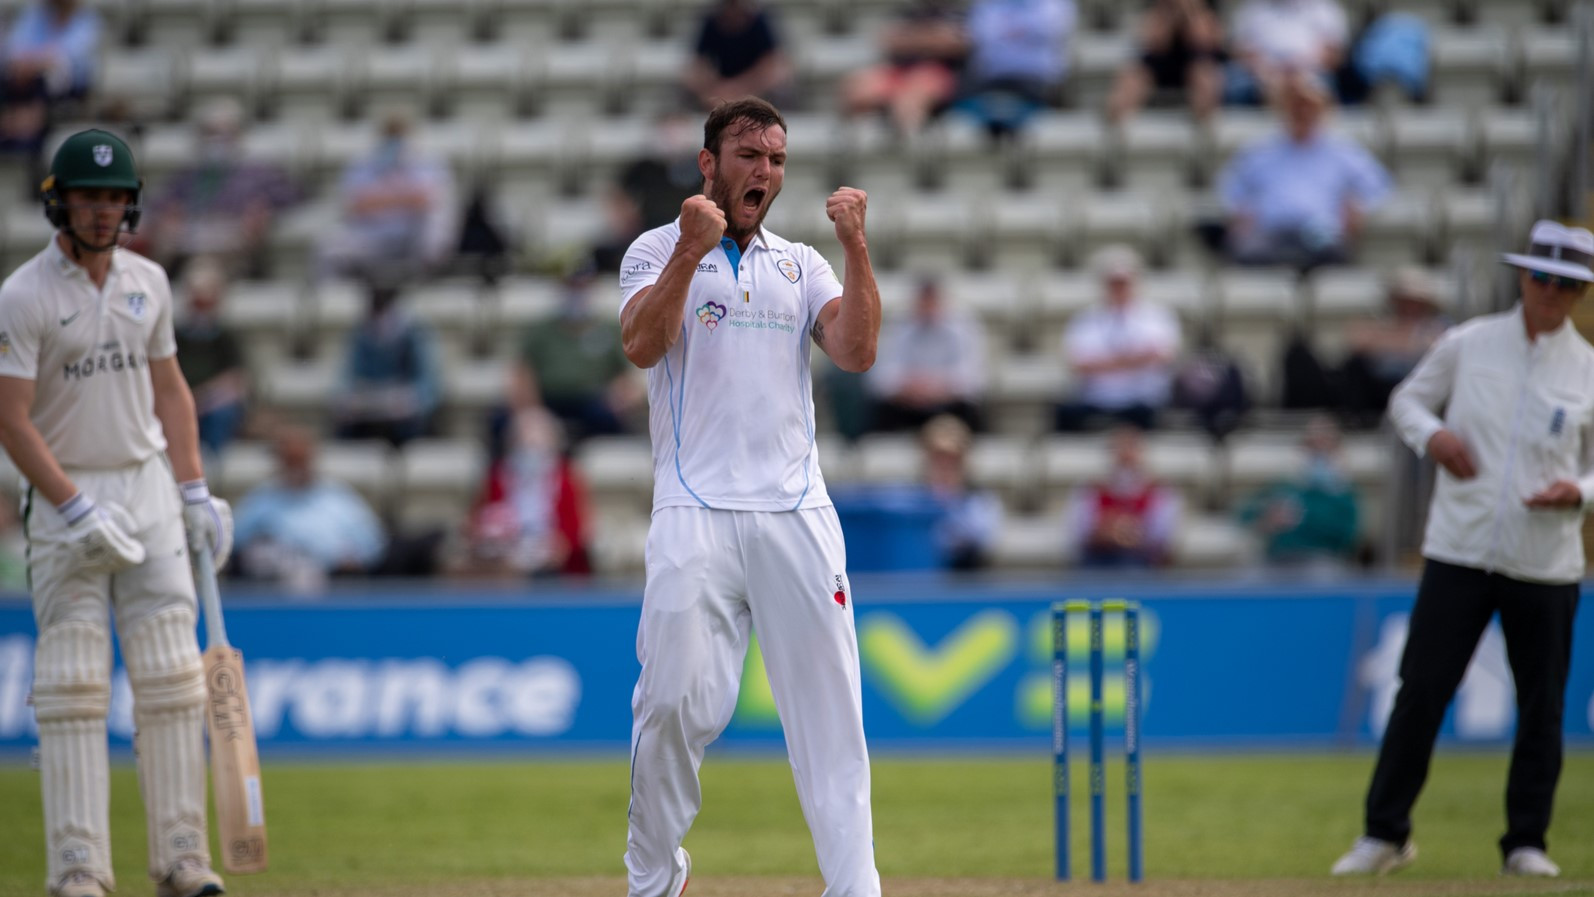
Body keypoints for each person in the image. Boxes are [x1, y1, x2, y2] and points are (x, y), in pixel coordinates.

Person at [617, 97, 883, 897]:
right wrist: (688, 256)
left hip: (796, 512)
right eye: (747, 155)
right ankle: (656, 877)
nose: (763, 170)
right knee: (670, 703)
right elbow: (639, 345)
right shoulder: (655, 248)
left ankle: (855, 888)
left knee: (831, 717)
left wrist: (857, 245)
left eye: (775, 159)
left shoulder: (802, 263)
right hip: (693, 508)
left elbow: (858, 350)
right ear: (709, 163)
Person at [0, 129, 232, 897]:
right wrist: (70, 504)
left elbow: (171, 392)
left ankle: (181, 856)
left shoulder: (149, 282)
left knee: (172, 674)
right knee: (70, 684)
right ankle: (78, 866)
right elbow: (10, 417)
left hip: (146, 484)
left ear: (129, 204)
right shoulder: (24, 294)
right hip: (66, 489)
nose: (101, 211)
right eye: (87, 197)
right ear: (58, 203)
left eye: (112, 197)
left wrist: (193, 489)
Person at [1330, 220, 1594, 879]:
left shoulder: (1588, 367)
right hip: (1459, 548)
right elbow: (1407, 402)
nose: (1552, 293)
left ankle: (1525, 842)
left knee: (1543, 705)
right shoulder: (1469, 343)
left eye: (1568, 284)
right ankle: (1384, 833)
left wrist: (1580, 491)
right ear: (1522, 276)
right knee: (1420, 690)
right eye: (1543, 277)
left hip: (1545, 559)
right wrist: (1435, 437)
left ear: (1582, 292)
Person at [1217, 69, 1389, 269]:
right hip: (1271, 230)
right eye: (1297, 106)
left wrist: (1357, 207)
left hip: (1318, 231)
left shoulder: (1343, 152)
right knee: (1248, 253)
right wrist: (1241, 211)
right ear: (1285, 108)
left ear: (1322, 110)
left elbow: (1379, 186)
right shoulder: (1260, 151)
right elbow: (1228, 188)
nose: (1303, 113)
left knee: (1332, 253)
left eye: (1309, 106)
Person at [137, 98, 299, 279]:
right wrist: (168, 216)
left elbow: (291, 198)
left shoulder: (260, 174)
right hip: (187, 247)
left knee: (204, 274)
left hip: (234, 254)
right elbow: (158, 204)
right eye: (210, 133)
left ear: (239, 135)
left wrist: (264, 211)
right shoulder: (188, 175)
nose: (217, 141)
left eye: (225, 133)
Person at [1281, 266, 1451, 426]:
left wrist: (1388, 341)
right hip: (1369, 389)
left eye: (1413, 301)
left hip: (1403, 390)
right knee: (1299, 355)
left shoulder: (1437, 327)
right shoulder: (1383, 324)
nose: (1407, 307)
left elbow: (1432, 348)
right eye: (1402, 300)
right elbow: (1357, 341)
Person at [231, 425, 388, 592]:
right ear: (279, 462)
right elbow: (234, 541)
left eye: (300, 460)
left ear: (311, 459)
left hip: (335, 585)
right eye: (289, 461)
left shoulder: (339, 497)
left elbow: (373, 543)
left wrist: (351, 559)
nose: (296, 468)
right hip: (275, 588)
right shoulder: (261, 500)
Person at [1054, 244, 1182, 432]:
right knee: (1064, 415)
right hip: (1097, 399)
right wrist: (1133, 360)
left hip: (1143, 400)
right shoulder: (1085, 320)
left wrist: (1106, 363)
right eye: (1113, 283)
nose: (1119, 289)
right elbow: (1078, 364)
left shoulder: (1157, 317)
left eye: (1123, 282)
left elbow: (1163, 357)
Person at [456, 404, 592, 579]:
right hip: (507, 552)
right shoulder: (498, 475)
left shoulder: (565, 477)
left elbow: (577, 529)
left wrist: (555, 546)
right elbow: (479, 518)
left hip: (549, 553)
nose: (530, 444)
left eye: (537, 439)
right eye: (524, 438)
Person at [318, 111, 456, 281]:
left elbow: (428, 201)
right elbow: (356, 205)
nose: (395, 142)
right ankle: (332, 304)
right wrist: (405, 199)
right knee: (329, 246)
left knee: (436, 223)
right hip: (372, 237)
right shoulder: (362, 165)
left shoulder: (428, 164)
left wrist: (384, 199)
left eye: (399, 136)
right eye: (390, 136)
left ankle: (429, 284)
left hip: (413, 237)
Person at [511, 268, 641, 443]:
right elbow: (524, 372)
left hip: (592, 402)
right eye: (571, 287)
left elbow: (624, 376)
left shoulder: (608, 330)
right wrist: (532, 410)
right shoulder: (542, 331)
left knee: (607, 420)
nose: (576, 294)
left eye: (581, 287)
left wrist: (617, 398)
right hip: (549, 400)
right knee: (506, 422)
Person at [1237, 414, 1360, 569]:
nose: (1319, 452)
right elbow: (1243, 515)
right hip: (1276, 560)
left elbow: (1347, 537)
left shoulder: (1344, 496)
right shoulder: (1283, 487)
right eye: (1313, 445)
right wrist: (1266, 518)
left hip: (1321, 559)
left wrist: (1302, 519)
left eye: (1326, 445)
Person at [330, 275, 441, 447]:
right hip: (368, 416)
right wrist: (352, 400)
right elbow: (344, 381)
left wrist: (410, 400)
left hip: (407, 419)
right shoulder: (361, 334)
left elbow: (431, 386)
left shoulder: (414, 334)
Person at [867, 276, 986, 434]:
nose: (928, 307)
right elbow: (878, 379)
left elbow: (974, 379)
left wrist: (937, 387)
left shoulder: (963, 326)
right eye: (924, 301)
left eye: (932, 301)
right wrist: (910, 387)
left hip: (949, 406)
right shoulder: (897, 326)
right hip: (906, 406)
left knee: (970, 411)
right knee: (881, 412)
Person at [839, 0, 968, 138]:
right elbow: (888, 40)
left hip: (936, 73)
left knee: (912, 94)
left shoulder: (955, 14)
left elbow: (954, 45)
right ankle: (850, 143)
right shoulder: (905, 13)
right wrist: (930, 38)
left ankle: (911, 145)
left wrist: (911, 37)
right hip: (899, 72)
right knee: (858, 87)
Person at [1063, 424, 1182, 568]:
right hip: (1097, 561)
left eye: (1131, 448)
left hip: (1142, 563)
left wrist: (1134, 535)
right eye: (1119, 449)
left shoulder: (1159, 491)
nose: (1125, 456)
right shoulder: (1090, 490)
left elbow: (1165, 539)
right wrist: (1103, 534)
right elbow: (1076, 536)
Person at [956, 0, 1076, 139]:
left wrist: (1006, 31)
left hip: (1038, 78)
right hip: (990, 78)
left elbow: (1052, 28)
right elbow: (981, 35)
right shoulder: (986, 5)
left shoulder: (1054, 4)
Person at [1, 0, 100, 157]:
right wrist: (29, 63)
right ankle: (14, 120)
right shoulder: (35, 15)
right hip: (26, 81)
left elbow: (69, 58)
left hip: (67, 91)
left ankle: (32, 119)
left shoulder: (87, 20)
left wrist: (36, 62)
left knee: (52, 76)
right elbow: (15, 48)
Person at [172, 256, 249, 455]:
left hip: (212, 405)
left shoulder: (226, 337)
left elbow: (234, 382)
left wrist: (202, 399)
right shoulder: (175, 336)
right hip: (180, 399)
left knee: (222, 415)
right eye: (198, 301)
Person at [1105, 0, 1224, 125]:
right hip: (1161, 63)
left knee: (1203, 74)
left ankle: (1204, 119)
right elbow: (1155, 44)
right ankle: (1116, 119)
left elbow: (1202, 41)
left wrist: (1189, 12)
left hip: (1195, 60)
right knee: (1132, 77)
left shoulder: (1207, 5)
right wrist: (1170, 15)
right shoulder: (1159, 6)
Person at [1226, 0, 1348, 104]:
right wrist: (1267, 69)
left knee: (1320, 85)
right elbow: (1239, 51)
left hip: (1312, 73)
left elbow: (1335, 55)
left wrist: (1301, 67)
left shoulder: (1325, 9)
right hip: (1261, 75)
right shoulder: (1252, 9)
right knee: (1235, 81)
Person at [920, 414, 1001, 570]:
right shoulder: (909, 501)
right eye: (938, 459)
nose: (944, 466)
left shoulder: (982, 501)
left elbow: (984, 540)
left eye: (952, 460)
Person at [683, 0, 794, 112]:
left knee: (779, 73)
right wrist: (715, 90)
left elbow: (771, 63)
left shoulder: (760, 22)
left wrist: (740, 89)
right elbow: (699, 64)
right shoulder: (711, 22)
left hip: (754, 87)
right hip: (720, 89)